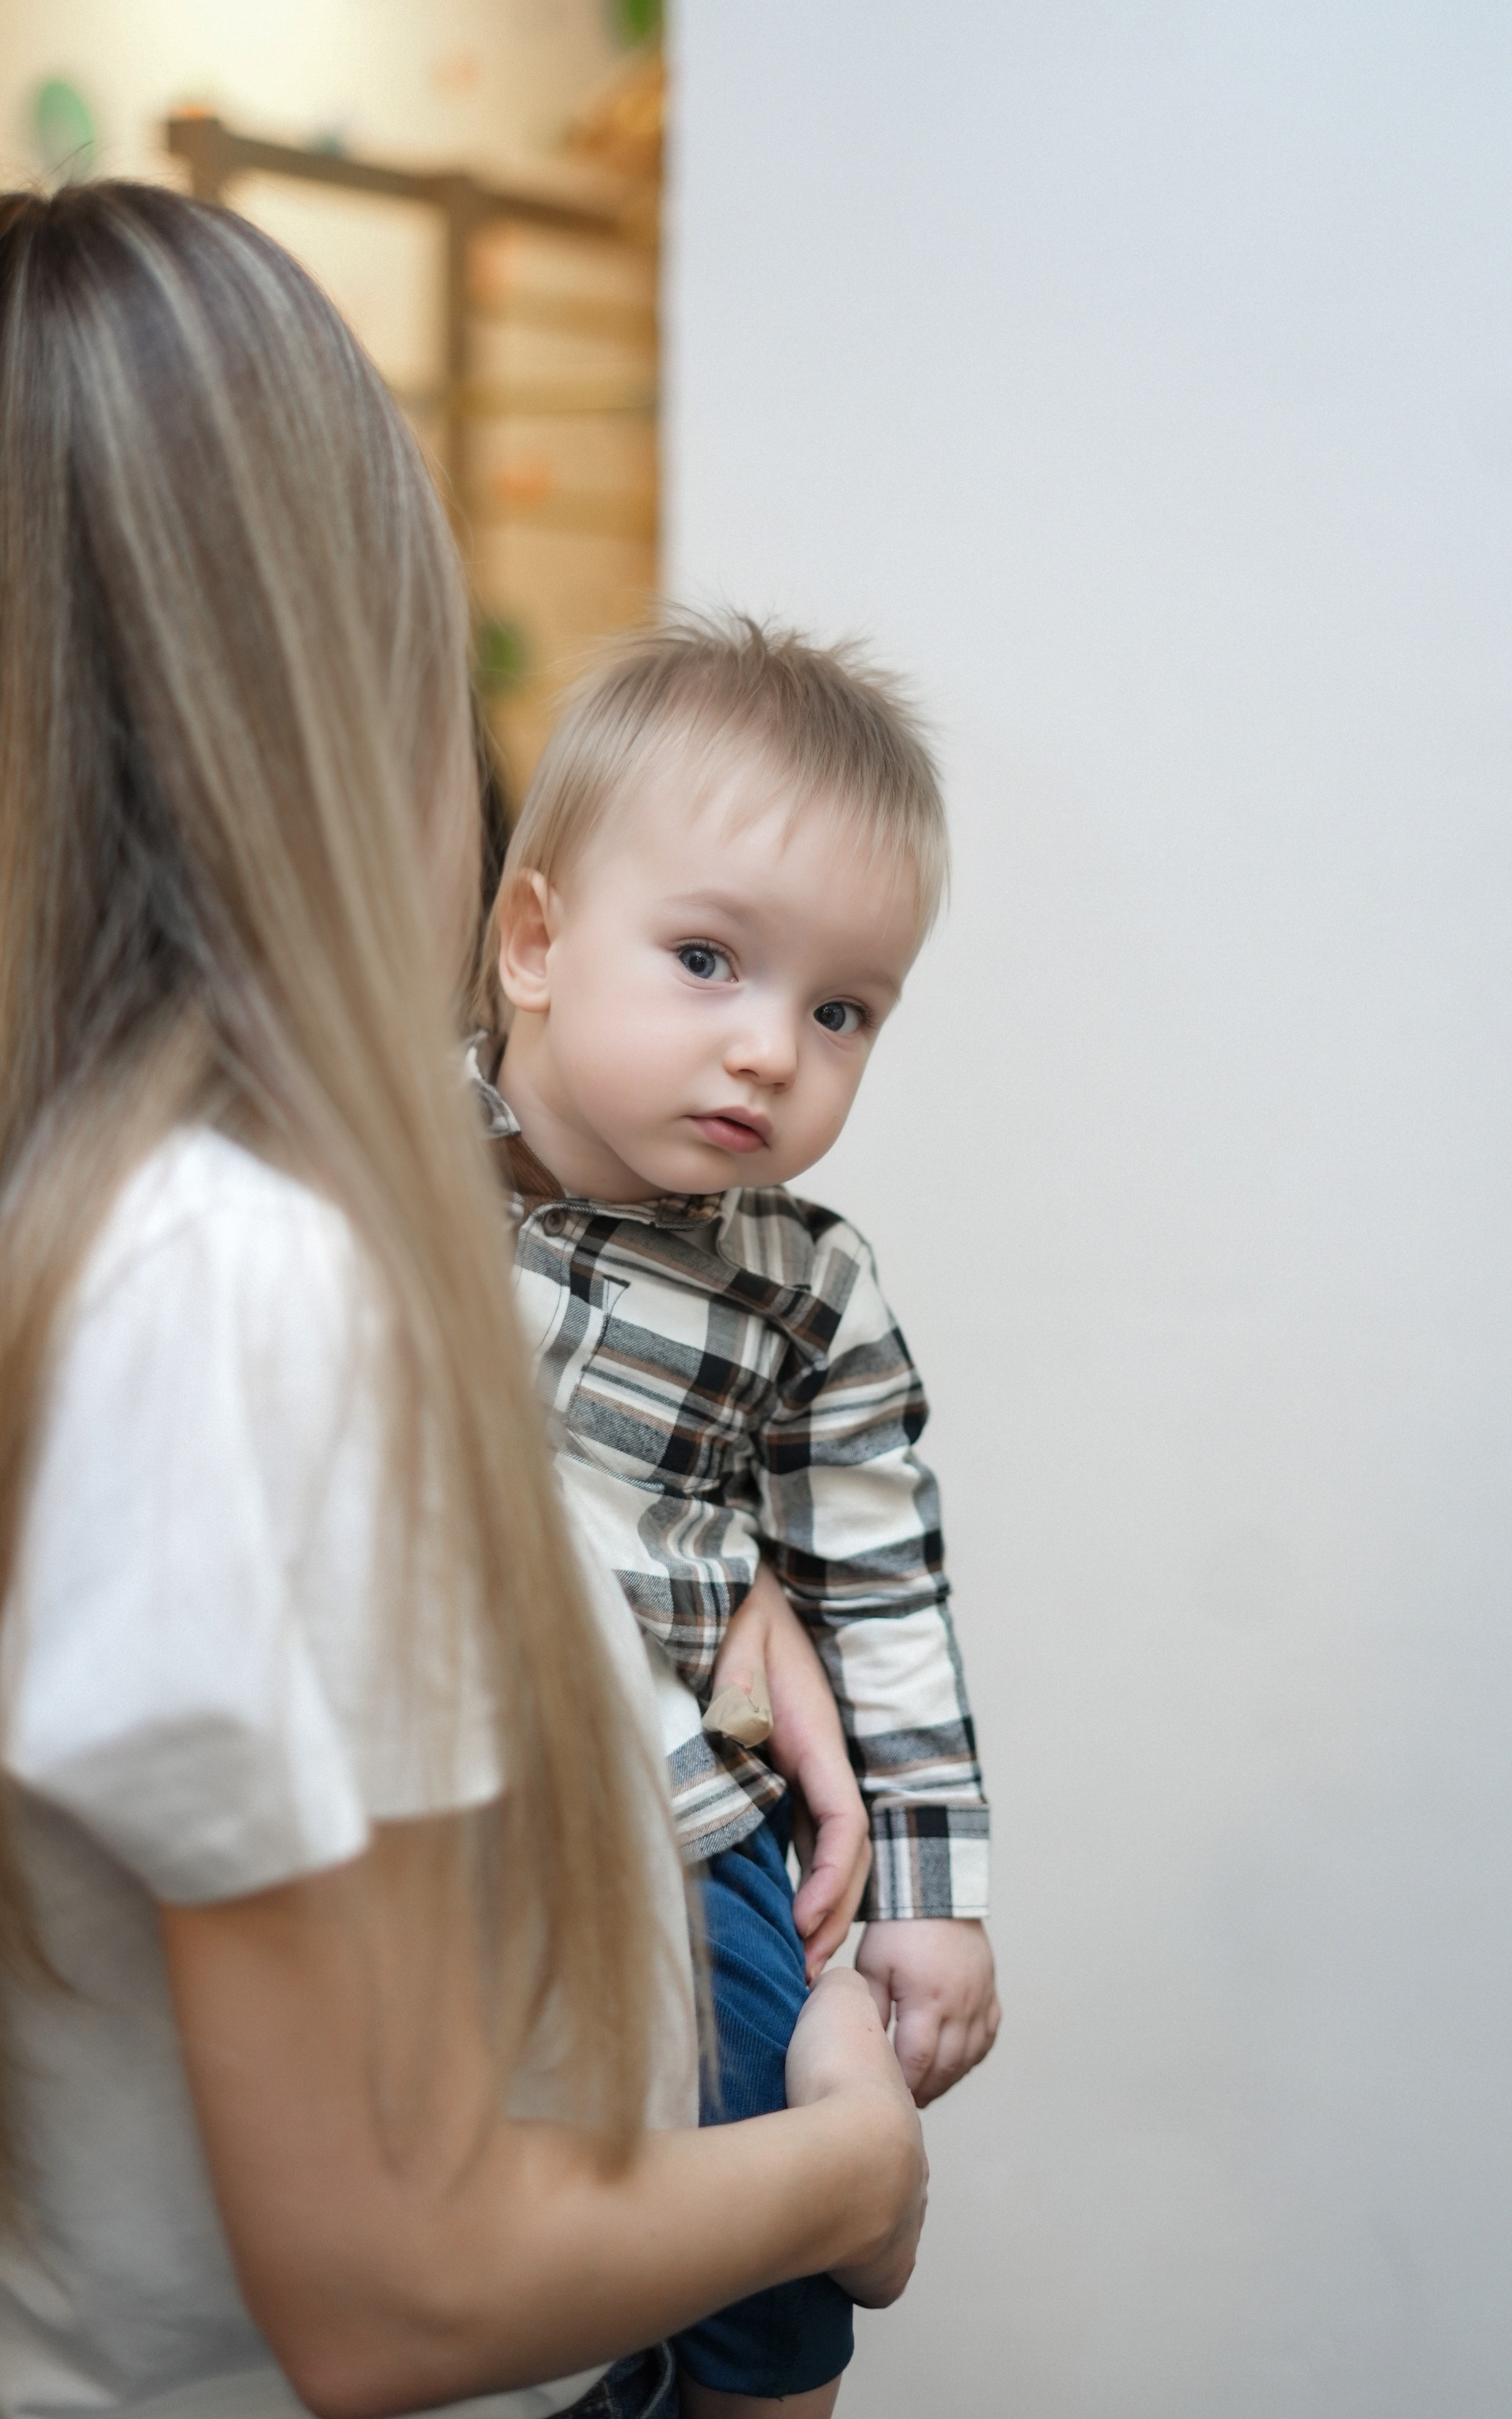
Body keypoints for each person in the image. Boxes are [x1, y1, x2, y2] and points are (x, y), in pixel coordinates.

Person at [0, 183, 927, 2419]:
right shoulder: (238, 1292)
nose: (762, 1048)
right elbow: (395, 2283)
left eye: (843, 1009)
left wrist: (698, 1595)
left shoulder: (150, 1222)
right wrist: (844, 2174)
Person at [469, 617, 1001, 2418]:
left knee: (764, 2086)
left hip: (681, 1811)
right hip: (431, 1771)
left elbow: (883, 1585)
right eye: (707, 959)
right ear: (534, 941)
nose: (772, 1047)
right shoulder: (392, 1154)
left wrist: (930, 1896)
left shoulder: (810, 1285)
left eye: (842, 1007)